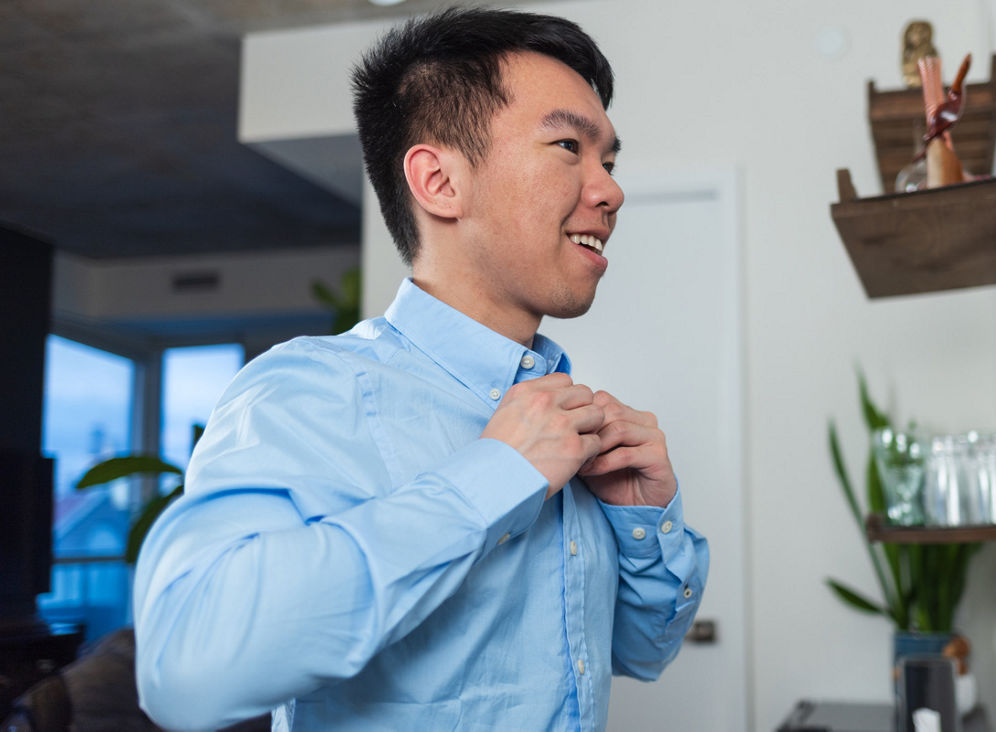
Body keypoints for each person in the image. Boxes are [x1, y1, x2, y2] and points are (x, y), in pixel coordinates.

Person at [132, 8, 709, 731]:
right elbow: (184, 674)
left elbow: (640, 653)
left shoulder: (569, 425)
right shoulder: (305, 394)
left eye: (610, 162)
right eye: (569, 145)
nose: (611, 191)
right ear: (438, 181)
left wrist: (643, 521)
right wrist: (494, 476)